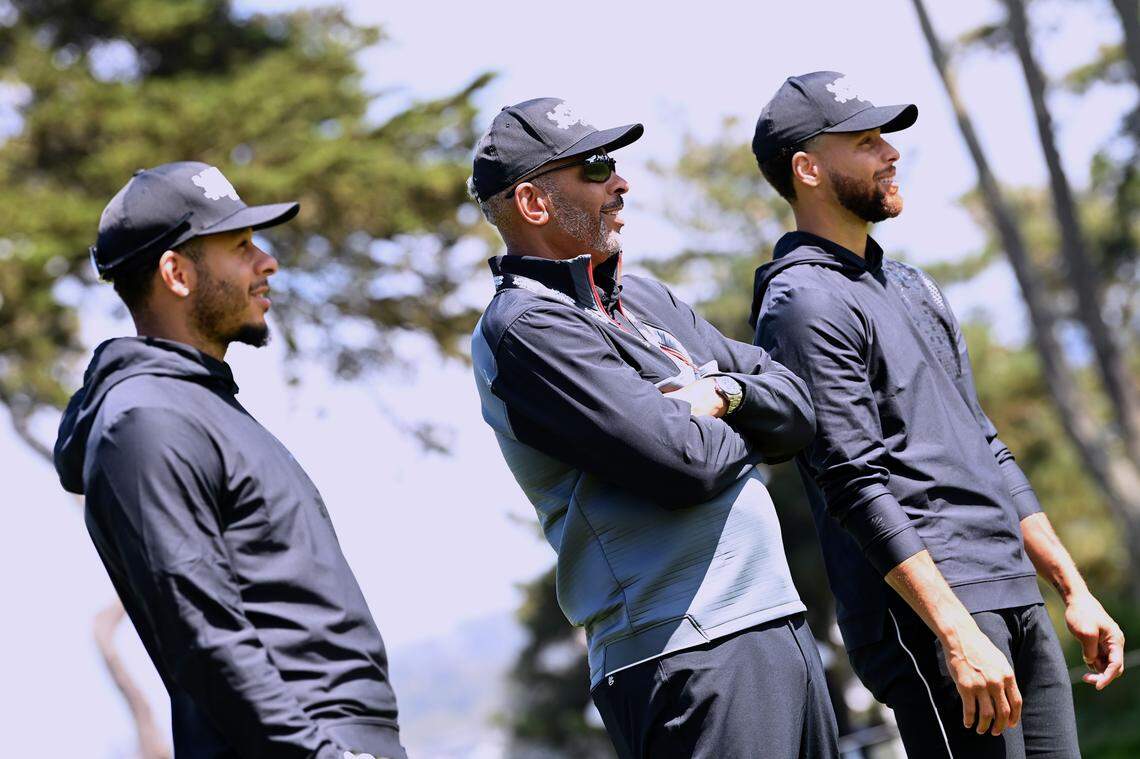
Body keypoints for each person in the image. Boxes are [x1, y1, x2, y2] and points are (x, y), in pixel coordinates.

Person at [749, 71, 1125, 758]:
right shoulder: (802, 304)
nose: (890, 153)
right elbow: (854, 485)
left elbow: (988, 445)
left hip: (1009, 589)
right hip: (929, 614)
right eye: (865, 142)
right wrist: (954, 630)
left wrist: (1071, 587)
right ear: (807, 169)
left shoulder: (908, 284)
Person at [468, 98, 839, 758]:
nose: (622, 181)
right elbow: (684, 462)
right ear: (532, 202)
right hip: (688, 651)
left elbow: (798, 405)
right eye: (596, 166)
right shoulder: (525, 329)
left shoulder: (643, 297)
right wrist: (731, 418)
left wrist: (722, 393)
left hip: (774, 623)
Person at [53, 162, 405, 759]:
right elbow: (203, 631)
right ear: (177, 273)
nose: (267, 261)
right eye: (241, 246)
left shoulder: (199, 406)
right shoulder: (144, 419)